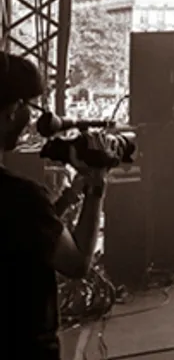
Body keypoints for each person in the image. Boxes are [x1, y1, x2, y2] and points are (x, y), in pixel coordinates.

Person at [0, 53, 108, 360]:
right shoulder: (20, 196)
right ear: (10, 110)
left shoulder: (23, 204)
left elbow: (21, 237)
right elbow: (77, 264)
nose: (30, 121)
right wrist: (96, 185)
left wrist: (64, 201)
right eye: (28, 107)